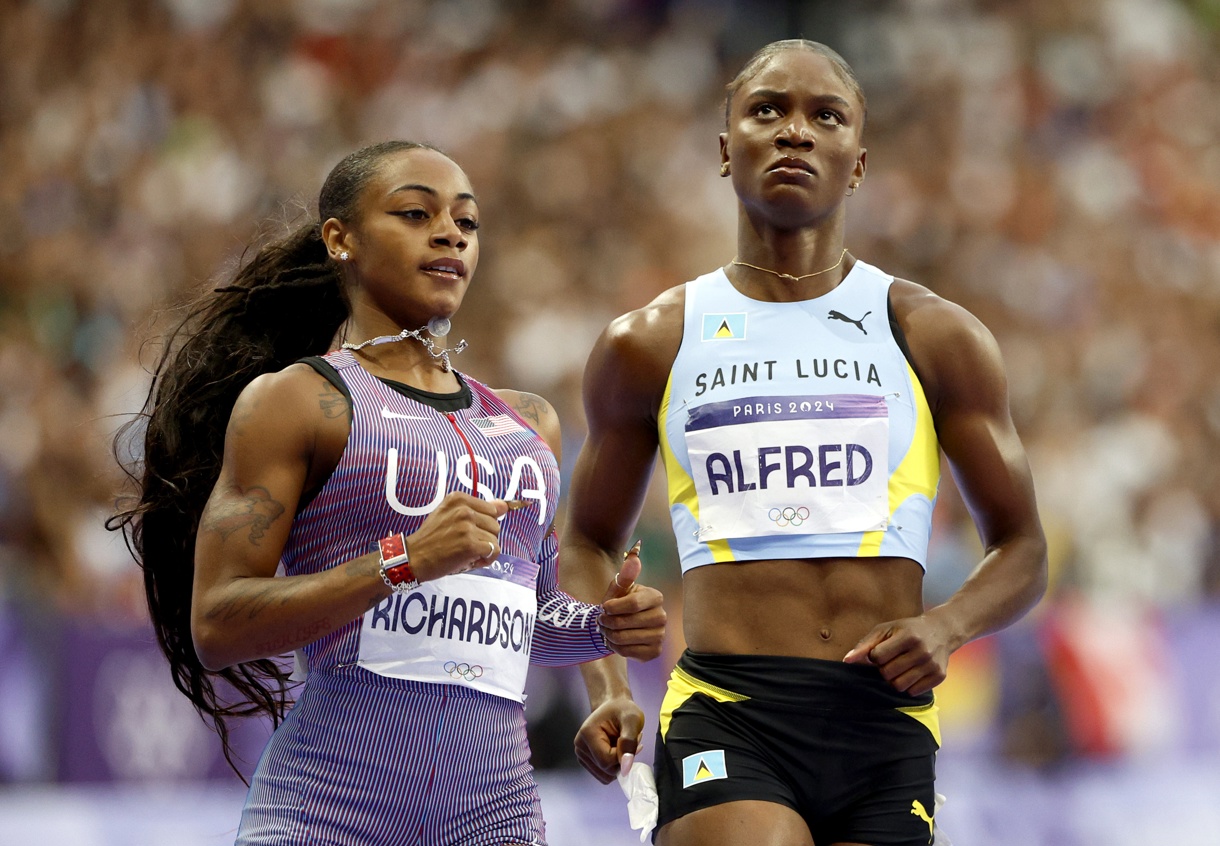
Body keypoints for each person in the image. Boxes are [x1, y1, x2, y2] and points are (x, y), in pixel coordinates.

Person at [110, 140, 666, 846]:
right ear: (340, 239)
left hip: (496, 819)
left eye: (466, 223)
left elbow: (513, 620)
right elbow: (218, 625)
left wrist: (598, 632)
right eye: (415, 213)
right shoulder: (301, 401)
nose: (450, 235)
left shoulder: (528, 427)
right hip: (326, 814)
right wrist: (402, 563)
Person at [562, 40, 1048, 846]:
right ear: (726, 151)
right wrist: (607, 683)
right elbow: (584, 540)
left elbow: (1023, 547)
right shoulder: (649, 342)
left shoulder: (933, 335)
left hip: (882, 724)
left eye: (825, 116)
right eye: (768, 110)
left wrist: (948, 626)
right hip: (728, 708)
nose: (796, 131)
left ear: (857, 161)